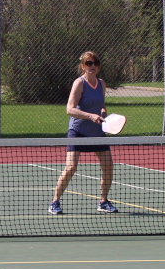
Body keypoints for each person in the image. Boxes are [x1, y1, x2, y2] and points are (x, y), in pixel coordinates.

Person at [48, 51, 118, 215]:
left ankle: (103, 201)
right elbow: (69, 109)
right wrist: (90, 116)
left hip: (97, 131)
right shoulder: (79, 83)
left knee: (108, 166)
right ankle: (55, 202)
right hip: (78, 130)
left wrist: (103, 113)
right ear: (83, 66)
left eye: (95, 63)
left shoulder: (101, 84)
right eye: (88, 63)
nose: (92, 66)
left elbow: (102, 105)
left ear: (98, 66)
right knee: (71, 167)